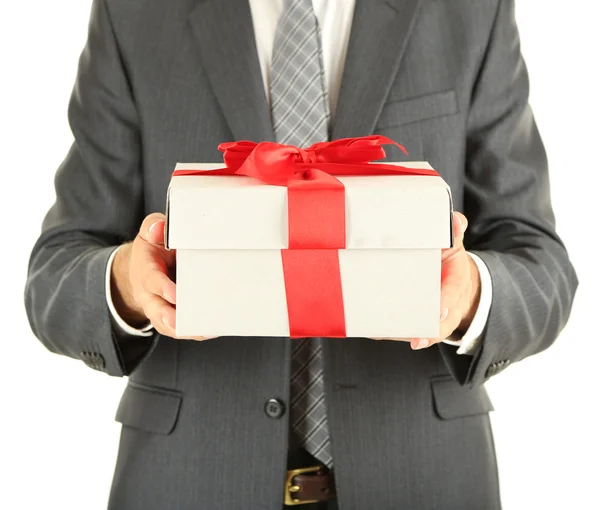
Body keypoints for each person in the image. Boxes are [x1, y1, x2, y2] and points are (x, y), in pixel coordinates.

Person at [24, 0, 578, 508]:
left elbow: (540, 263)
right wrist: (125, 283)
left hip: (423, 477)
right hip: (188, 477)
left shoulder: (468, 11)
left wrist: (471, 294)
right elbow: (56, 272)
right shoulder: (137, 14)